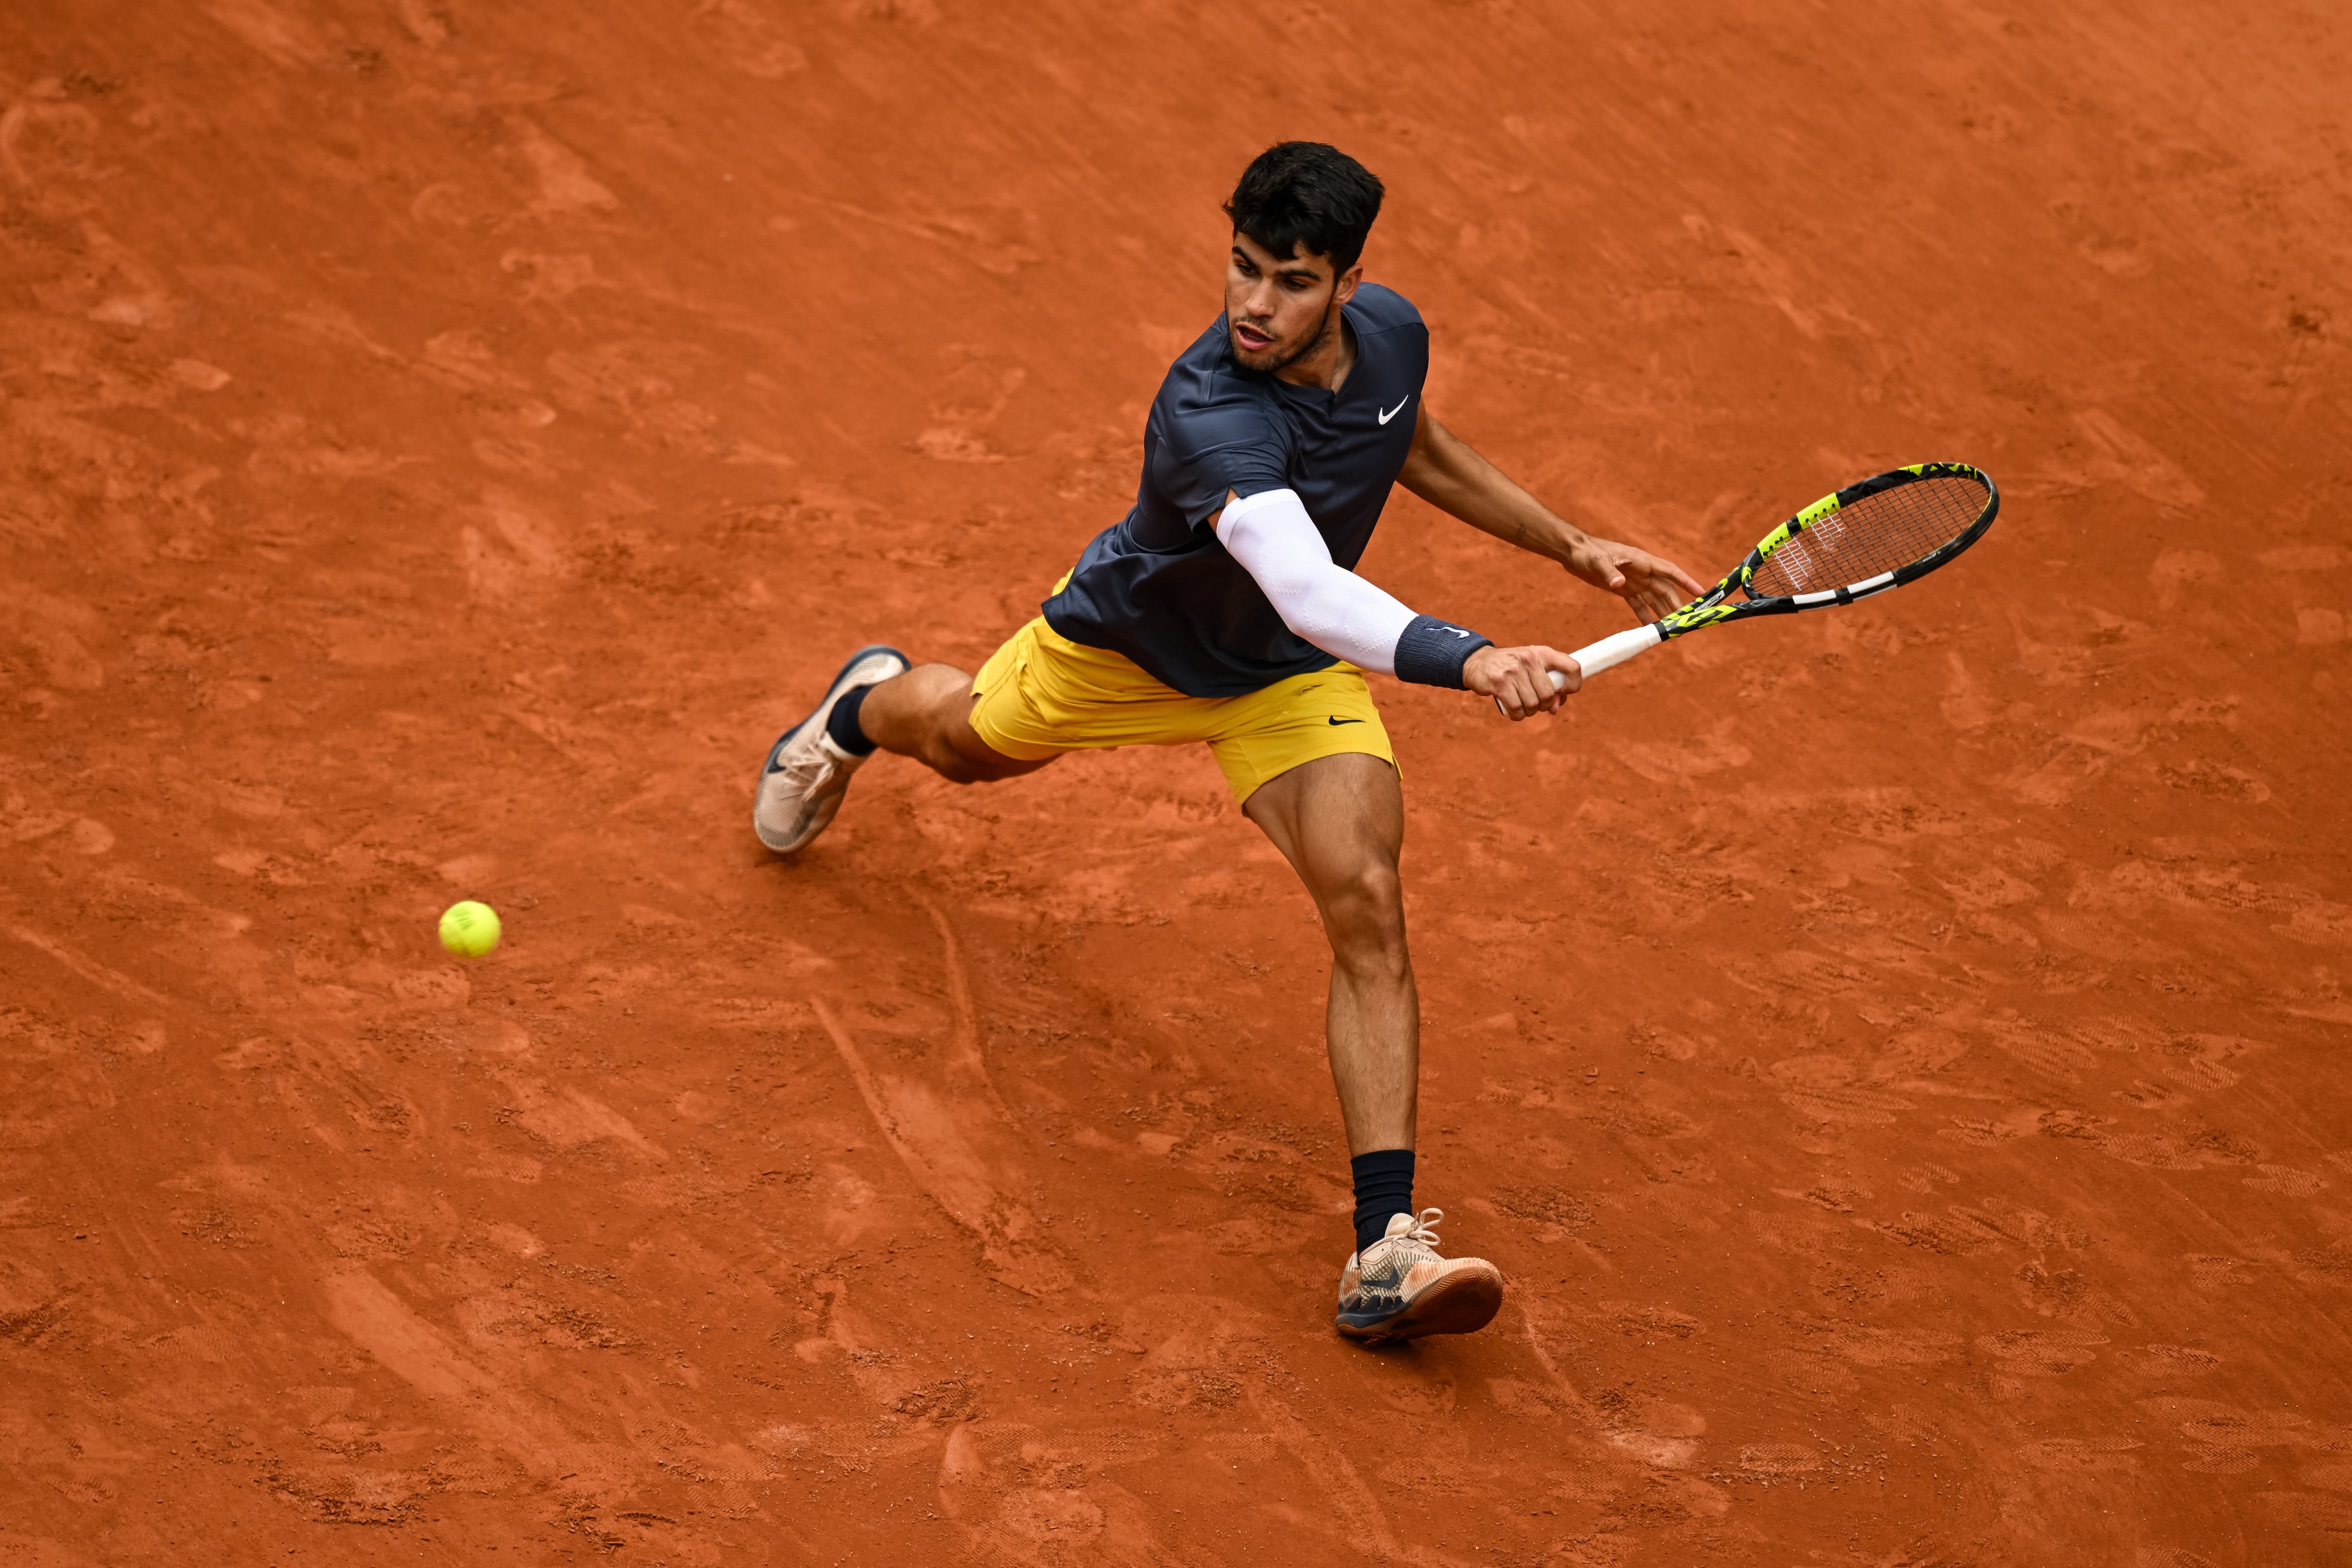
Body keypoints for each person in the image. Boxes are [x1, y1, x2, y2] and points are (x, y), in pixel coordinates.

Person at [754, 142, 1700, 1342]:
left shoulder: (1394, 336)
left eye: (1291, 280)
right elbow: (1306, 585)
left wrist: (1571, 546)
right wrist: (1471, 655)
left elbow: (1413, 445)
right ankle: (857, 705)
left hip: (1282, 682)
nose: (1254, 305)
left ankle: (1384, 1249)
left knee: (1366, 897)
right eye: (1243, 269)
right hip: (1125, 652)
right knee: (964, 742)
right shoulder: (1211, 411)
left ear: (1350, 282)